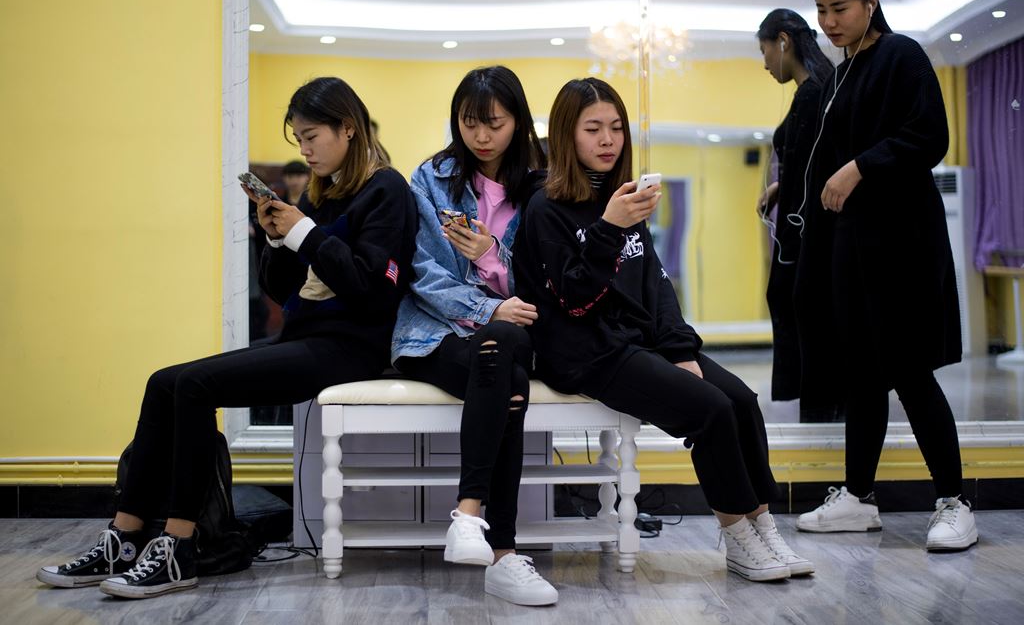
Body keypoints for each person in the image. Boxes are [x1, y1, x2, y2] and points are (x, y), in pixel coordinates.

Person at [36, 76, 418, 598]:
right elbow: (281, 291)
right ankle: (123, 537)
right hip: (305, 340)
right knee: (164, 382)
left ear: (347, 128)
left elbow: (371, 290)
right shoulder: (319, 193)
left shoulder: (387, 190)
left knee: (194, 386)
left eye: (311, 136)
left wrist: (304, 231)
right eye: (298, 140)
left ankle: (179, 547)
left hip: (350, 349)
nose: (304, 150)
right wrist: (275, 236)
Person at [513, 77, 812, 582]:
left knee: (740, 400)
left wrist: (679, 349)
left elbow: (654, 281)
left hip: (638, 340)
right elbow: (574, 298)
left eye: (615, 128)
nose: (608, 140)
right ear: (567, 135)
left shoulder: (625, 196)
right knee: (710, 411)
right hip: (587, 352)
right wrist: (609, 227)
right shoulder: (545, 208)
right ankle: (736, 534)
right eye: (593, 129)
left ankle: (763, 525)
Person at [794, 0, 977, 552]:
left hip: (900, 242)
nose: (827, 22)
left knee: (908, 370)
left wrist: (860, 166)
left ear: (871, 2)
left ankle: (955, 502)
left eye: (839, 8)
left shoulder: (902, 55)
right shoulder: (842, 74)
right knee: (862, 376)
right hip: (852, 247)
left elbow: (929, 136)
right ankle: (857, 497)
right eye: (820, 11)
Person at [391, 65, 556, 606]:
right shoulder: (432, 177)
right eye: (469, 123)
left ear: (518, 122)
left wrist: (489, 256)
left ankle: (468, 517)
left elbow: (542, 280)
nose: (481, 136)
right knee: (507, 369)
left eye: (494, 123)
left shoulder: (543, 186)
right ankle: (503, 555)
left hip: (510, 332)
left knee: (506, 344)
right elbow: (419, 271)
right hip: (431, 336)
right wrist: (488, 305)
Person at [755, 9, 842, 422]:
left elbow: (813, 174)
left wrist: (791, 223)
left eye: (765, 50)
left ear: (783, 41)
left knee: (813, 339)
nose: (765, 62)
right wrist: (779, 187)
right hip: (812, 233)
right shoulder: (821, 88)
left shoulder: (811, 95)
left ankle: (820, 436)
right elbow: (809, 164)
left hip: (806, 239)